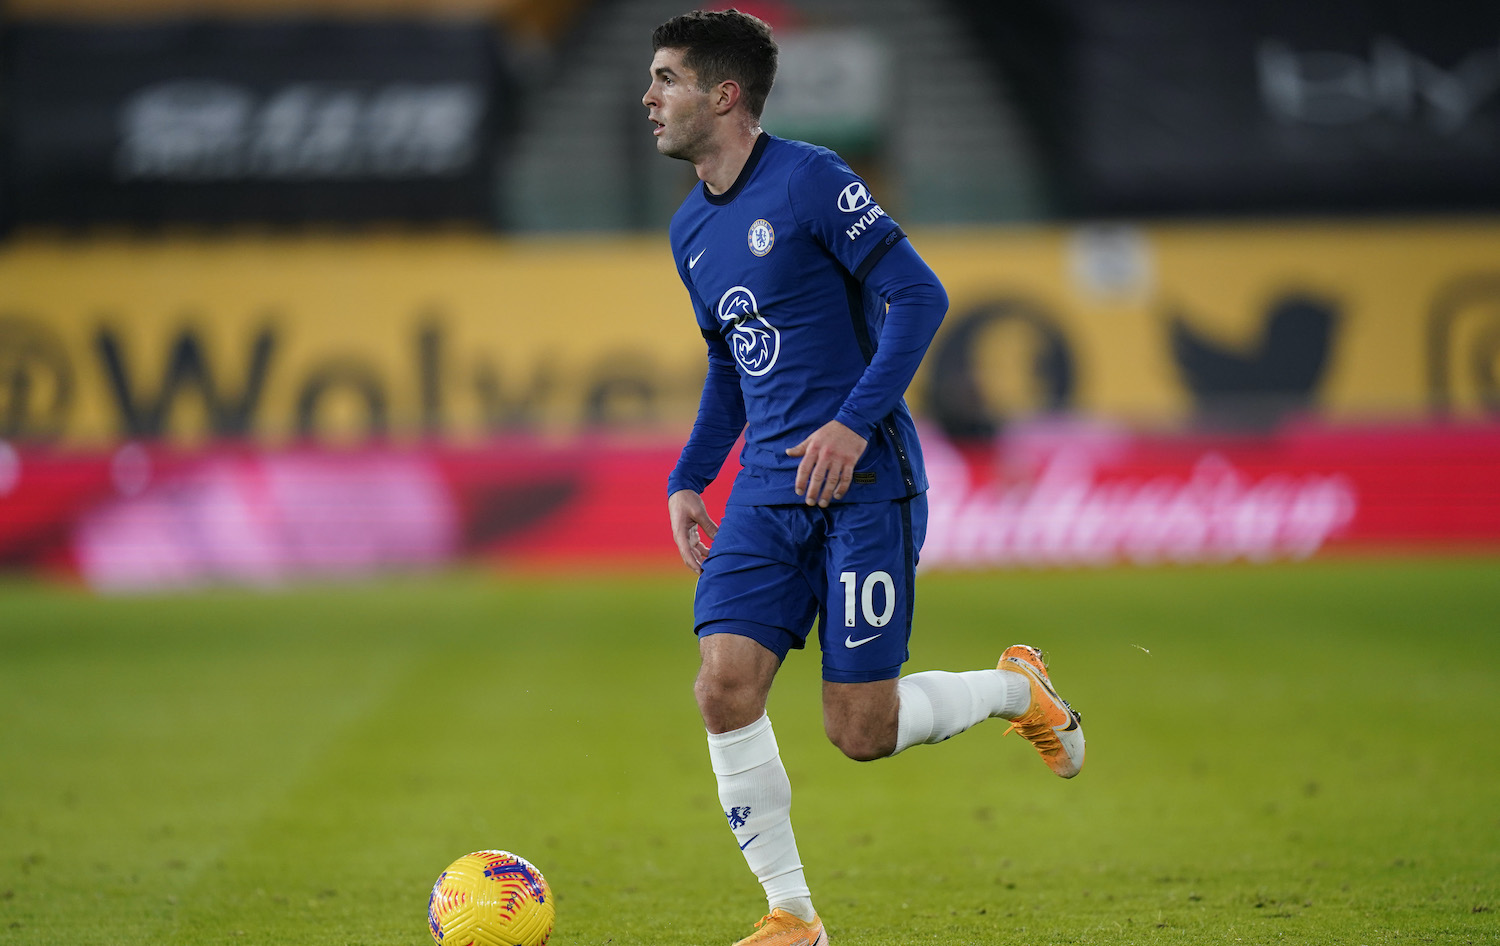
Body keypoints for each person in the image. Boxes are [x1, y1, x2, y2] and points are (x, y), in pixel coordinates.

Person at [644, 11, 1085, 946]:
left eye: (667, 79)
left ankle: (1017, 691)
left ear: (724, 96)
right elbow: (734, 362)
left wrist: (850, 424)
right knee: (723, 686)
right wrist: (692, 476)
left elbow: (921, 296)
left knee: (861, 730)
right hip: (767, 488)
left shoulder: (811, 180)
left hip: (864, 480)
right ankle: (791, 916)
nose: (649, 98)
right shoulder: (689, 229)